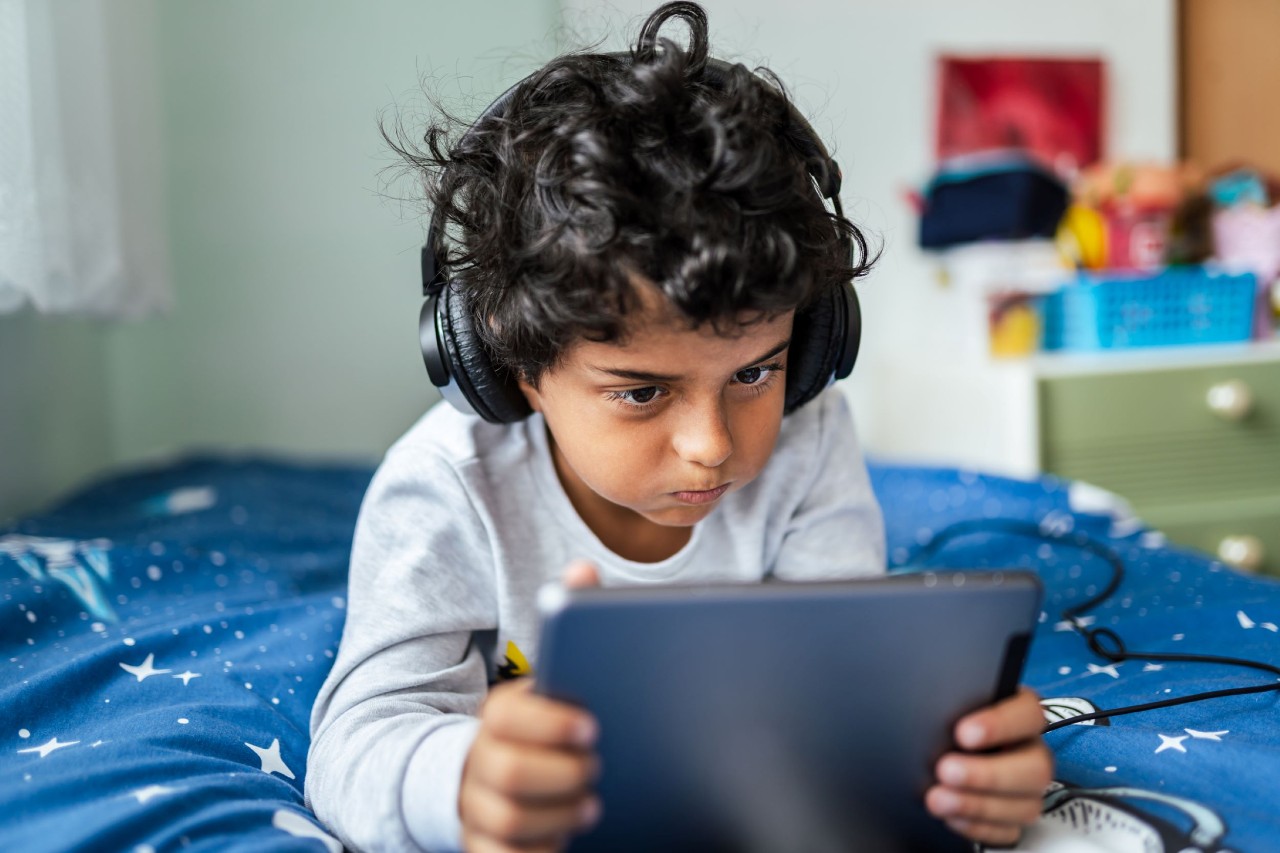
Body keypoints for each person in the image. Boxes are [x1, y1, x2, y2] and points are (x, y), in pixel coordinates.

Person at [306, 3, 1053, 851]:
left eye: (753, 373)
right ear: (514, 368)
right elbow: (356, 740)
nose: (713, 445)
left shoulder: (810, 438)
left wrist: (959, 769)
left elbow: (846, 694)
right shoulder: (445, 487)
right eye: (640, 392)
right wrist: (461, 778)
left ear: (809, 347)